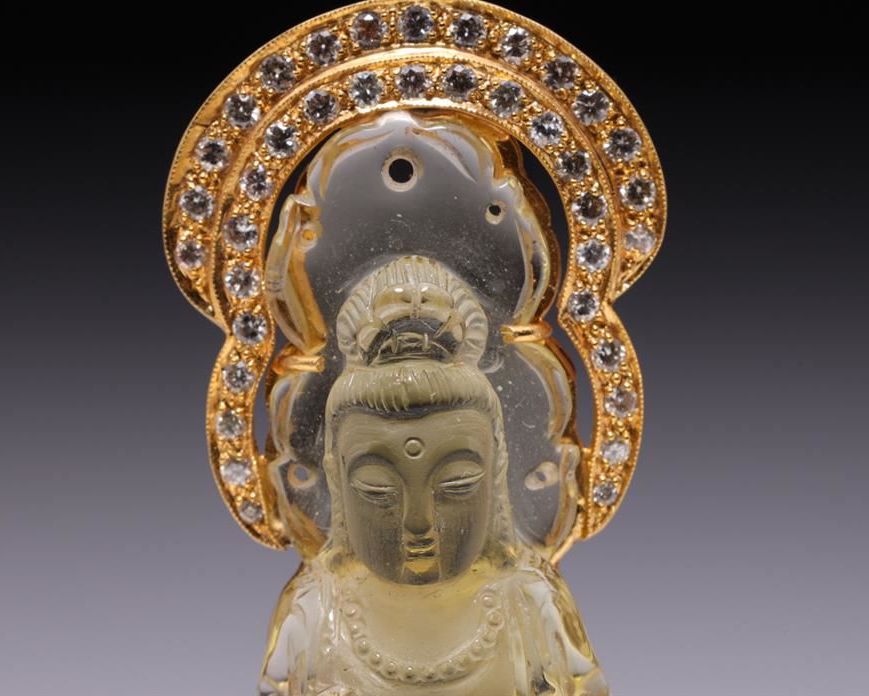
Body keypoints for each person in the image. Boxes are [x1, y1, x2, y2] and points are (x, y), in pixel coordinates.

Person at [259, 255, 609, 695]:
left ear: (495, 478)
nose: (419, 523)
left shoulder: (530, 606)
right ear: (337, 482)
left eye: (455, 485)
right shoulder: (315, 615)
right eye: (377, 490)